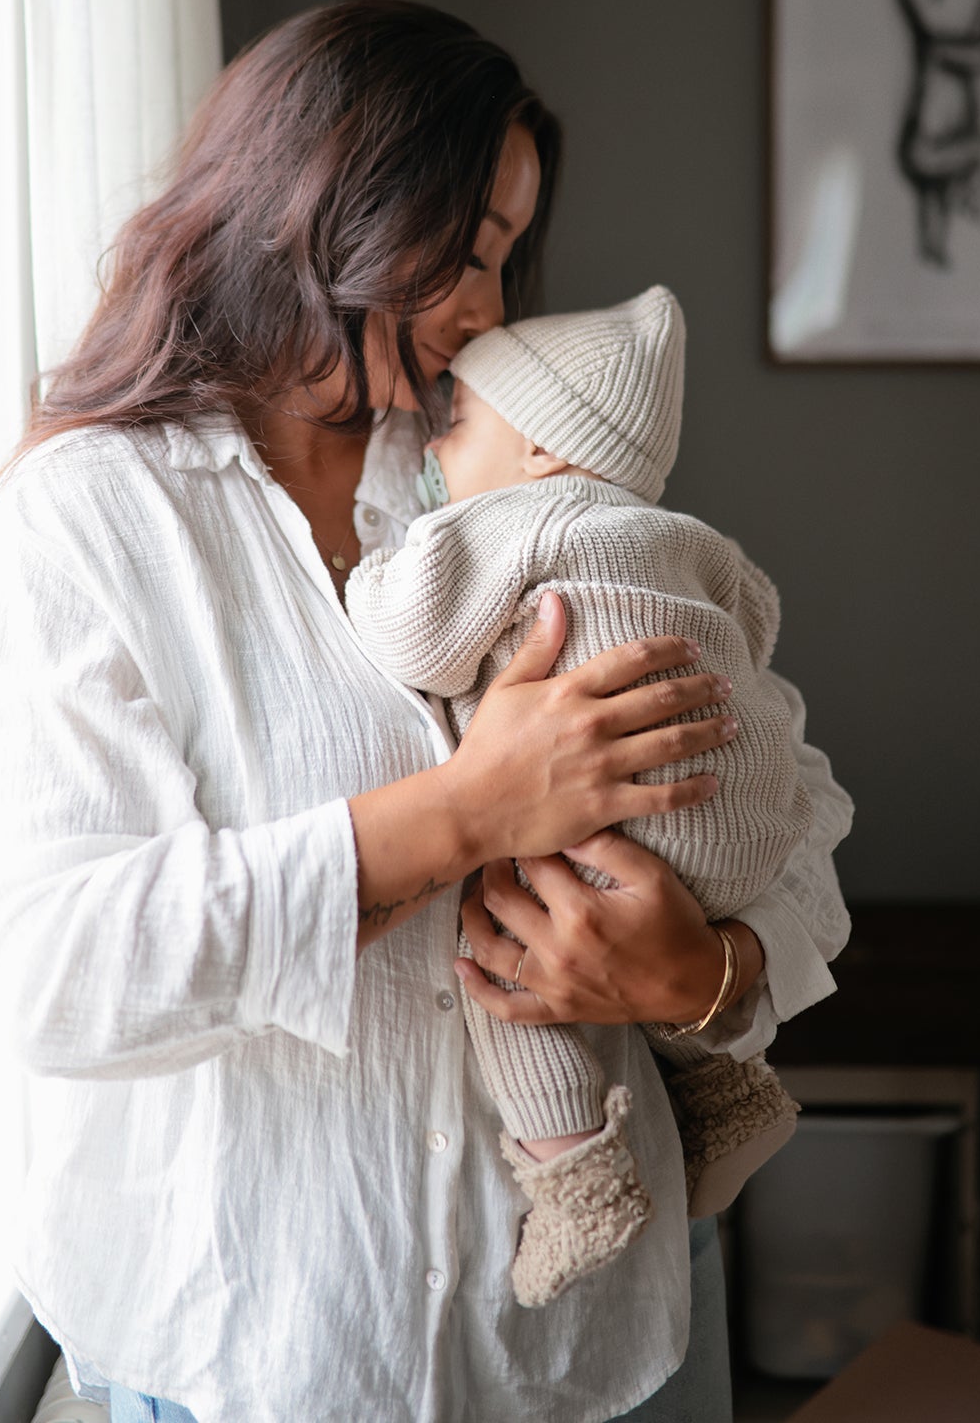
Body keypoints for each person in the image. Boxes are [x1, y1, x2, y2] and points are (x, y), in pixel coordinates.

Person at [0, 0, 852, 1423]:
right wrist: (461, 816)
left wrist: (705, 976)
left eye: (506, 257)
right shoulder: (88, 527)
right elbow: (54, 974)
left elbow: (789, 797)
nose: (493, 309)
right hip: (260, 1359)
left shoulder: (496, 474)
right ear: (324, 208)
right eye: (468, 252)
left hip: (596, 1357)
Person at [345, 285, 809, 1308]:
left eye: (455, 421)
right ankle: (726, 1088)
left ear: (544, 451)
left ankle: (576, 1178)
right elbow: (758, 627)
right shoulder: (691, 538)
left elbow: (412, 638)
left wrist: (372, 575)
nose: (432, 447)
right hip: (738, 821)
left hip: (619, 815)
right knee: (634, 950)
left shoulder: (509, 522)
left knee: (498, 944)